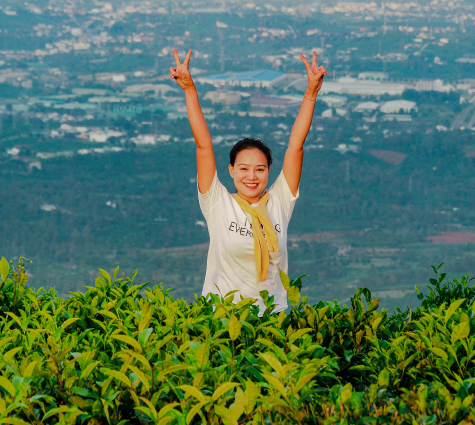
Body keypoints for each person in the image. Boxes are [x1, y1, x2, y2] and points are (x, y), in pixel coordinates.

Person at [170, 49, 326, 315]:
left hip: (271, 321)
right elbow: (203, 146)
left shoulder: (279, 202)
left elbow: (295, 146)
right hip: (222, 319)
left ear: (268, 172)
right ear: (231, 171)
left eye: (260, 169)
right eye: (243, 169)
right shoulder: (217, 203)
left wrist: (310, 93)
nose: (251, 177)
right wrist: (189, 89)